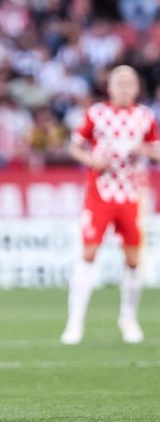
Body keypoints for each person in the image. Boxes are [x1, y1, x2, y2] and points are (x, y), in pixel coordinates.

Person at [61, 65, 159, 345]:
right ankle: (75, 322)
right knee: (89, 253)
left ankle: (128, 318)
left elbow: (157, 150)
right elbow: (75, 146)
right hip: (101, 192)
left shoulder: (145, 117)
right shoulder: (97, 114)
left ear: (137, 87)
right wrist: (93, 161)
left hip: (130, 194)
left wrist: (148, 151)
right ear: (110, 87)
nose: (125, 87)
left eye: (130, 82)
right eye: (120, 82)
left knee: (132, 259)